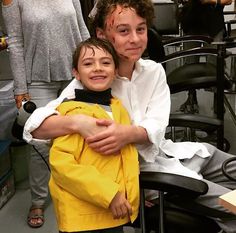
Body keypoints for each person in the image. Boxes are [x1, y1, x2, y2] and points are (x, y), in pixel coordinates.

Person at [24, 0, 236, 232]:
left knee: (227, 164)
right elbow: (34, 127)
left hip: (169, 152)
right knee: (232, 205)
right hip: (145, 174)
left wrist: (128, 133)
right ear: (102, 35)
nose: (135, 39)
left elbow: (156, 123)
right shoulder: (93, 82)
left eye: (141, 29)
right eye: (123, 31)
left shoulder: (153, 72)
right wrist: (78, 121)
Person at [2, 0, 90, 228]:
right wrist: (20, 88)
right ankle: (38, 200)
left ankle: (82, 190)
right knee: (40, 142)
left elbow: (81, 29)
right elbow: (15, 41)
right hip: (38, 78)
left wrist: (91, 66)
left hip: (75, 75)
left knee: (80, 134)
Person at [49, 37, 139, 233]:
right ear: (76, 73)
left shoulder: (118, 108)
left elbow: (126, 157)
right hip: (83, 219)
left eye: (105, 62)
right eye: (88, 64)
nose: (97, 68)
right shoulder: (73, 112)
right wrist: (111, 194)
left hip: (111, 214)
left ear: (115, 70)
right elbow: (63, 166)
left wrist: (133, 194)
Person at [179, 0, 232, 113]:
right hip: (192, 20)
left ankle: (218, 99)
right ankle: (191, 97)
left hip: (214, 22)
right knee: (190, 60)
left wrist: (206, 0)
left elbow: (228, 1)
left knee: (215, 62)